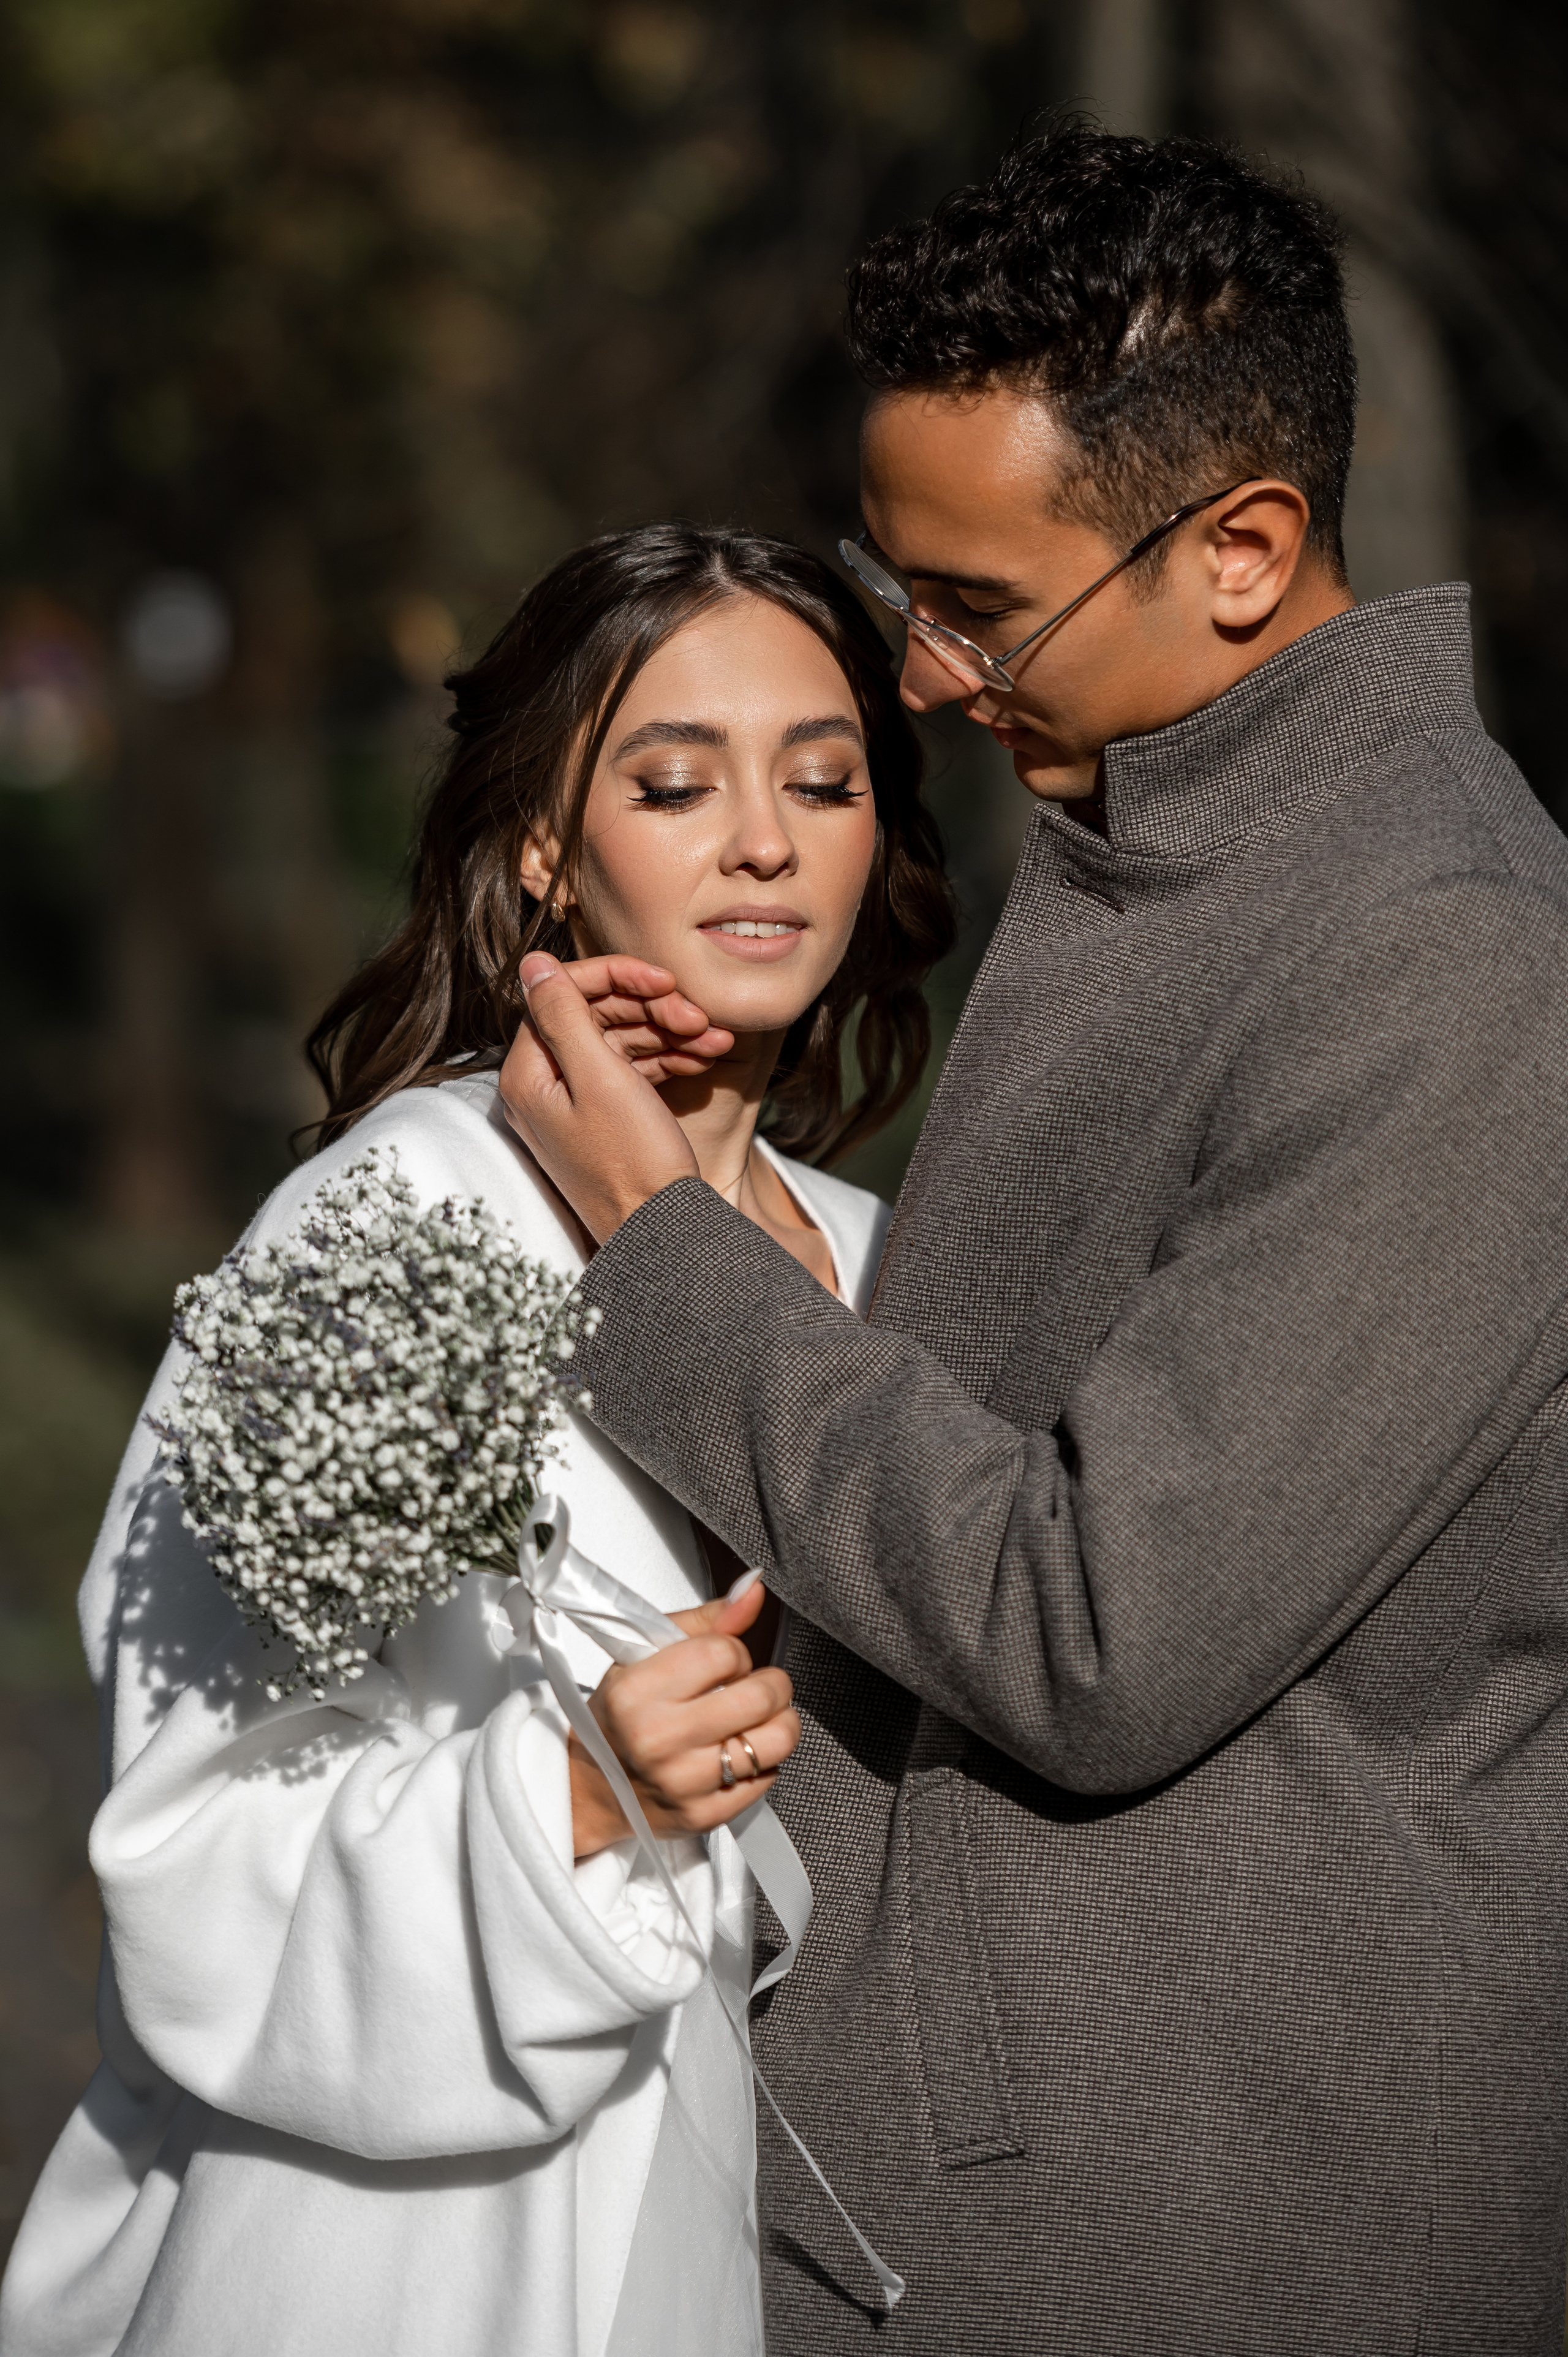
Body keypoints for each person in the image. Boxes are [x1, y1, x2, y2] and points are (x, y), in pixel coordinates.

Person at [497, 130, 1568, 2354]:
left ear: (1248, 548)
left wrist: (658, 1255)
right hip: (1058, 2171)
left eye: (981, 610)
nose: (920, 679)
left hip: (1209, 2210)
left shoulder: (1450, 966)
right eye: (910, 593)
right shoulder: (1184, 844)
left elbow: (1100, 1627)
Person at [0, 523, 954, 2357]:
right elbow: (186, 1835)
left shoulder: (896, 1265)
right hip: (422, 2260)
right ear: (544, 850)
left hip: (828, 2243)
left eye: (823, 781)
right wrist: (580, 1796)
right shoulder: (392, 1229)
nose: (766, 837)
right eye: (675, 783)